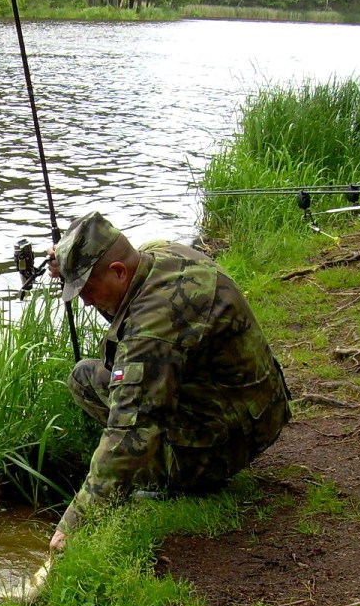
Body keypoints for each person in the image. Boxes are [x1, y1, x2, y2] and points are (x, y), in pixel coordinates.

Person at [46, 211, 290, 552]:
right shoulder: (160, 254)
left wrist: (75, 521)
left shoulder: (153, 329)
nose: (85, 301)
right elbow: (124, 307)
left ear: (118, 271)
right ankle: (159, 463)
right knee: (85, 378)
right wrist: (71, 268)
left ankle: (177, 479)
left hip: (237, 436)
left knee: (133, 432)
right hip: (259, 403)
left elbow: (128, 431)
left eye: (87, 289)